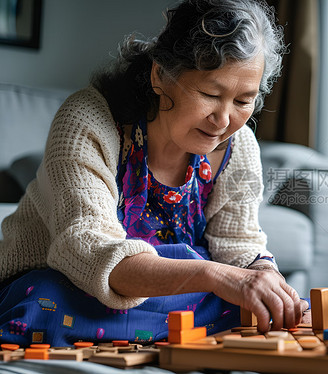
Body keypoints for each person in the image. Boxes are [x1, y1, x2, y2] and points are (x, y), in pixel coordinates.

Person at [0, 0, 307, 347]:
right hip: (77, 285)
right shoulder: (87, 121)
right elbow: (88, 251)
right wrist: (216, 275)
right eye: (210, 94)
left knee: (256, 304)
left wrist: (263, 278)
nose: (223, 121)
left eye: (242, 102)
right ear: (160, 75)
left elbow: (237, 243)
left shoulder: (239, 145)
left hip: (176, 295)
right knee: (45, 299)